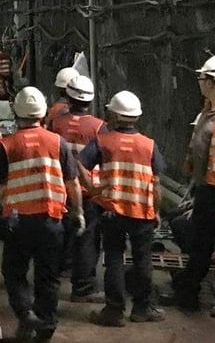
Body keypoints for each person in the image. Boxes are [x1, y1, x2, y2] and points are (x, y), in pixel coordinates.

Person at [0, 86, 84, 342]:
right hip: (51, 219)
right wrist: (78, 212)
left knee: (14, 271)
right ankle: (46, 327)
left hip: (18, 221)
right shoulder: (57, 142)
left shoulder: (8, 145)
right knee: (48, 276)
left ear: (17, 112)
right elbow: (73, 183)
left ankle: (25, 313)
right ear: (42, 112)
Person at [162, 55, 215, 311]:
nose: (199, 82)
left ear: (211, 81)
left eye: (201, 77)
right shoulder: (208, 110)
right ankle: (188, 293)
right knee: (199, 245)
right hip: (206, 188)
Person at [79, 91, 165, 326]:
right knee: (142, 260)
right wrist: (156, 210)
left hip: (111, 210)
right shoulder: (149, 145)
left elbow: (79, 162)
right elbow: (157, 184)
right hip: (142, 212)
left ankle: (114, 311)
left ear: (115, 115)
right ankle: (141, 308)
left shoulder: (103, 141)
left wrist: (93, 190)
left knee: (114, 258)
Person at [47, 75, 105, 303]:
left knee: (62, 232)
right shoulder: (99, 127)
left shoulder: (56, 123)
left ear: (68, 96)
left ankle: (61, 268)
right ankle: (83, 287)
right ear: (90, 100)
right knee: (87, 238)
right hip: (86, 191)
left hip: (60, 188)